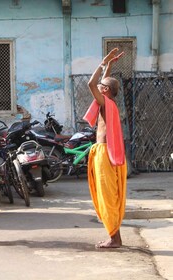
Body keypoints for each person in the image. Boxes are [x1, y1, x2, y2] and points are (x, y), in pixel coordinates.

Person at [83, 48, 127, 248]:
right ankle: (114, 237)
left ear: (105, 91)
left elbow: (91, 83)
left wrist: (102, 62)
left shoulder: (104, 102)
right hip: (108, 152)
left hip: (105, 152)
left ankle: (114, 239)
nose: (99, 86)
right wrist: (109, 65)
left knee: (108, 195)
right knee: (109, 194)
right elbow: (103, 82)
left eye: (102, 86)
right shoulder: (109, 101)